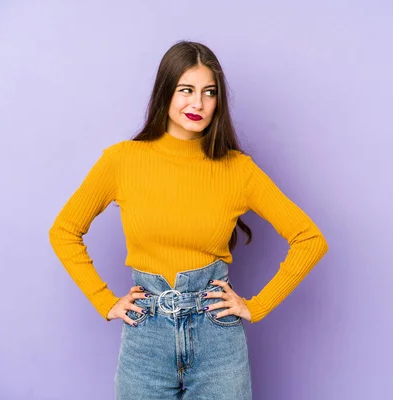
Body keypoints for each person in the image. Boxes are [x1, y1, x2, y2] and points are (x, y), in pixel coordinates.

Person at [48, 40, 328, 399]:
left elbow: (310, 239)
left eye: (209, 93)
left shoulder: (238, 170)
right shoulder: (122, 161)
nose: (197, 103)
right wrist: (104, 300)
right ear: (166, 91)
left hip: (217, 341)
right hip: (145, 338)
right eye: (186, 90)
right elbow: (64, 231)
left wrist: (256, 306)